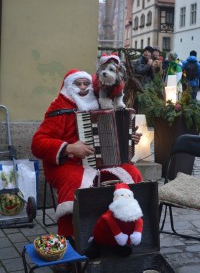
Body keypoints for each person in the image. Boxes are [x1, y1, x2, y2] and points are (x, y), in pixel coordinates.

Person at [31, 69, 143, 242]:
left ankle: (124, 227)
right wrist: (68, 148)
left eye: (86, 84)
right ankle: (69, 240)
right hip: (66, 164)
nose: (83, 88)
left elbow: (114, 136)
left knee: (132, 173)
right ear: (68, 86)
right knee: (74, 181)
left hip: (101, 162)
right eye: (78, 84)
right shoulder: (59, 109)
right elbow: (37, 144)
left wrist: (129, 138)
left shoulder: (101, 104)